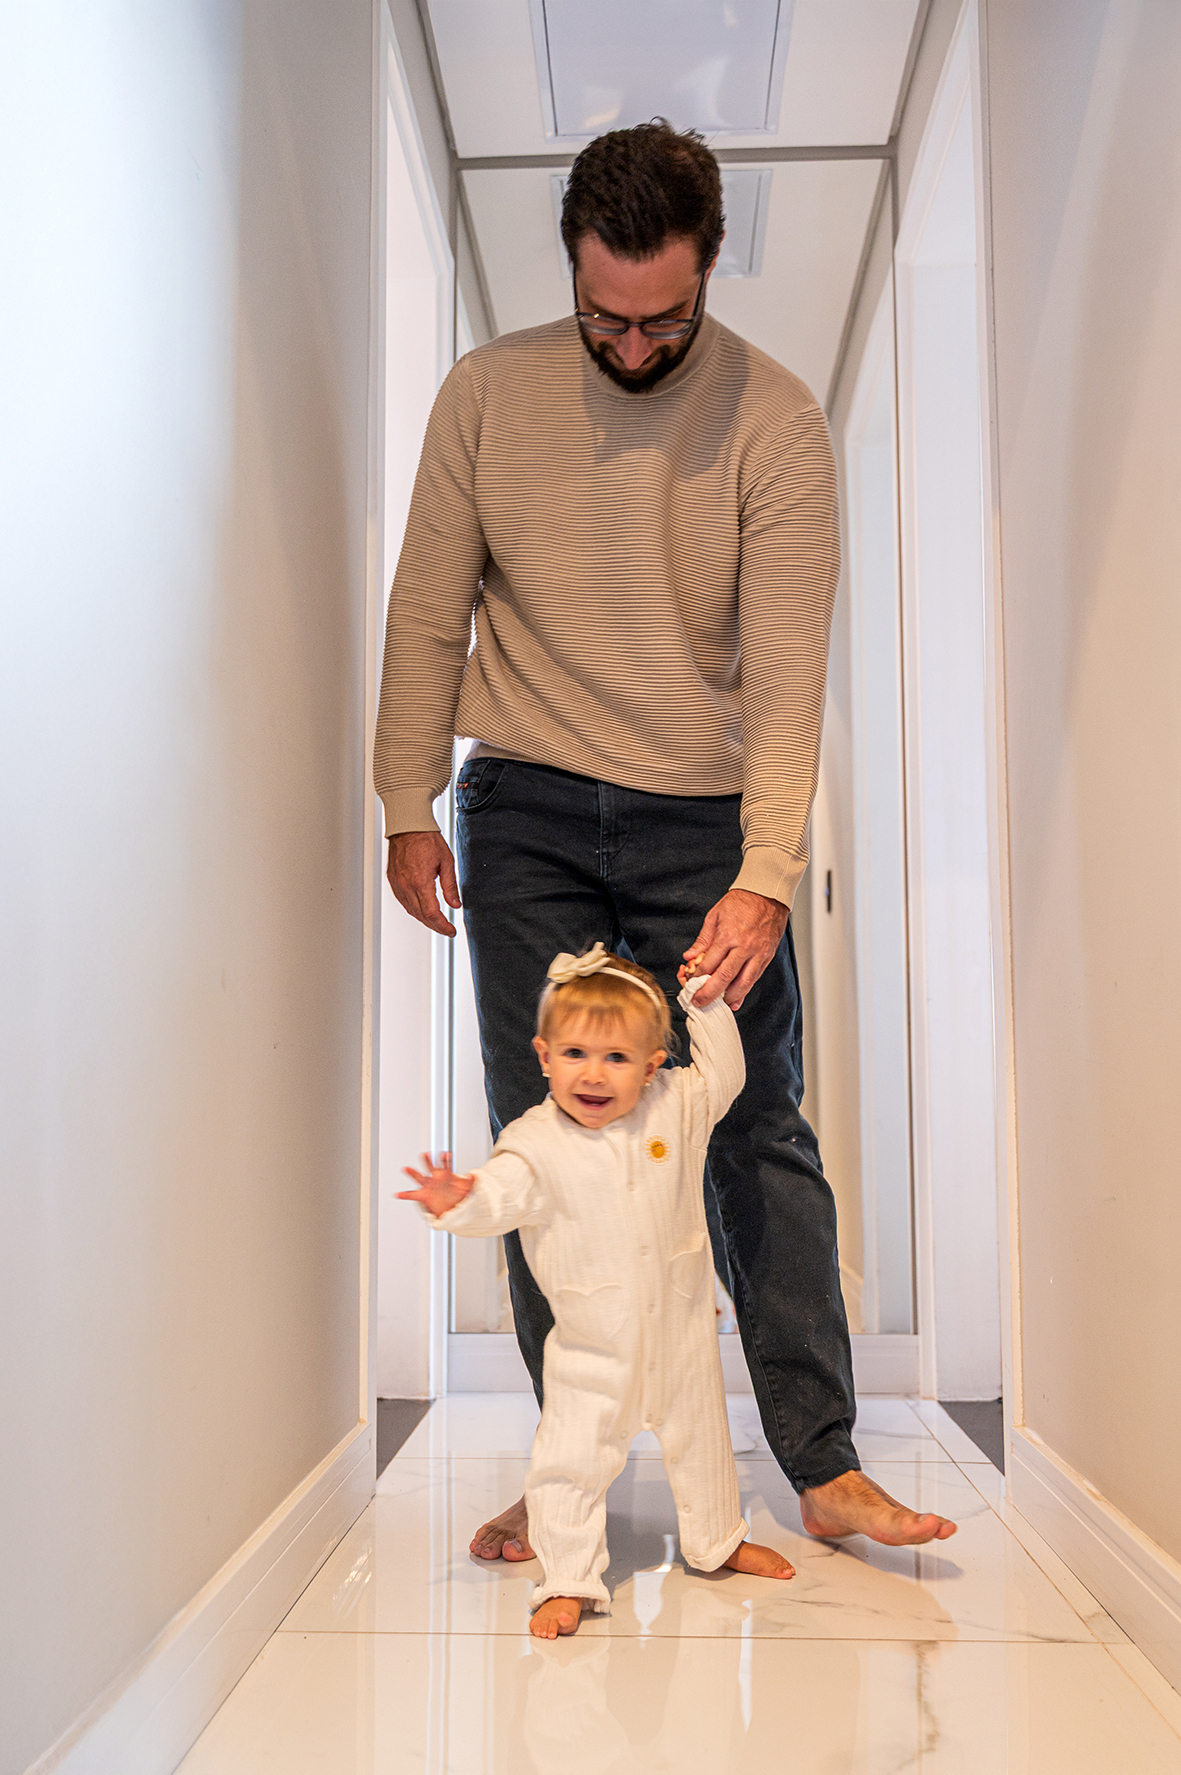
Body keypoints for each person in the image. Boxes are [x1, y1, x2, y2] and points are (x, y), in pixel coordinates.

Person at [375, 121, 955, 1551]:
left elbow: (789, 669)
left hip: (702, 818)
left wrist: (766, 873)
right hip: (524, 804)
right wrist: (404, 798)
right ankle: (566, 1473)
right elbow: (426, 610)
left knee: (755, 1123)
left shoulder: (775, 419)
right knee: (546, 1130)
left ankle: (822, 1462)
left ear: (707, 271)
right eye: (604, 317)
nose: (631, 346)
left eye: (664, 319)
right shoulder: (484, 396)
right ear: (571, 269)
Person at [397, 946, 794, 1638]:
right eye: (575, 1053)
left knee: (704, 1448)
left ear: (651, 1065)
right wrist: (460, 1200)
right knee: (569, 1467)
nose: (593, 1073)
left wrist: (702, 1002)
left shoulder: (674, 1106)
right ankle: (569, 1578)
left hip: (680, 1336)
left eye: (616, 1058)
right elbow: (499, 1195)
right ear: (544, 1056)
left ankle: (717, 1541)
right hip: (591, 1352)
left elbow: (724, 1076)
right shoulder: (535, 1142)